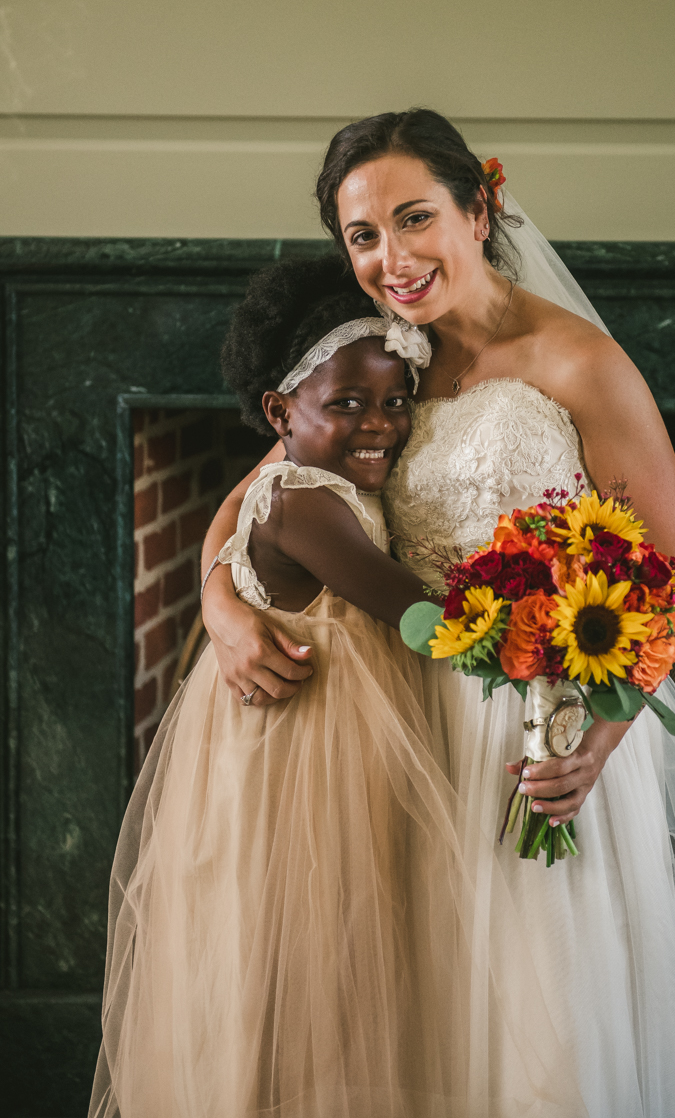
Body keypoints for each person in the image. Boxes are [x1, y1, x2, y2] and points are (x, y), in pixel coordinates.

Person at [201, 109, 675, 1118]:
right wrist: (217, 603)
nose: (390, 258)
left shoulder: (576, 363)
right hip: (405, 732)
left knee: (541, 1040)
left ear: (478, 208)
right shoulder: (385, 359)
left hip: (539, 741)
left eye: (413, 220)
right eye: (362, 236)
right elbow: (256, 493)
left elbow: (674, 575)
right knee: (425, 1030)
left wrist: (598, 739)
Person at [90, 256, 583, 1118]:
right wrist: (531, 644)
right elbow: (414, 615)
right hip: (304, 749)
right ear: (281, 412)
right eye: (349, 405)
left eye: (398, 405)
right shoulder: (304, 499)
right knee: (315, 954)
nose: (380, 426)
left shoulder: (328, 474)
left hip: (347, 732)